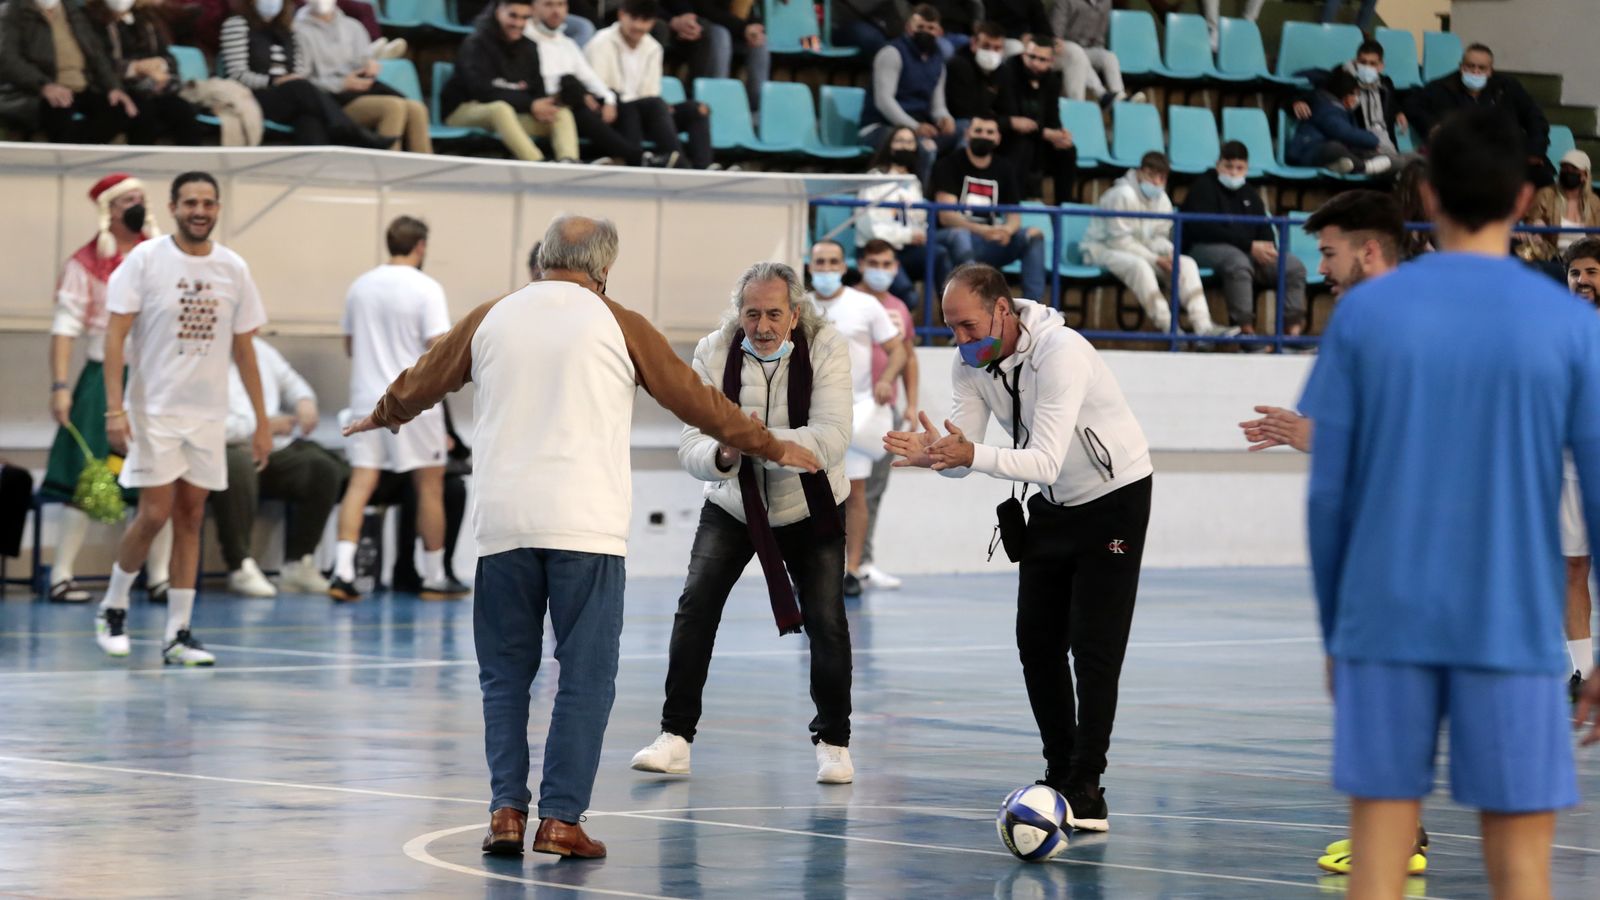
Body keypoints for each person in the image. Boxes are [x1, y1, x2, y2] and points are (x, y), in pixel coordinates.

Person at [342, 214, 820, 859]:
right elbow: (699, 402)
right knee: (585, 678)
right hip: (585, 527)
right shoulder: (619, 323)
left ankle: (506, 813)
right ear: (604, 268)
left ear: (542, 257)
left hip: (503, 524)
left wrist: (383, 413)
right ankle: (562, 820)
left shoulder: (493, 314)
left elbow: (424, 377)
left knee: (504, 678)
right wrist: (773, 445)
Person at [1299, 108, 1600, 898]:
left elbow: (1330, 491)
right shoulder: (1572, 326)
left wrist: (1339, 632)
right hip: (1512, 625)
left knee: (1378, 873)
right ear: (1529, 194)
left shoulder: (1366, 313)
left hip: (1385, 622)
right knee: (1523, 876)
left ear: (1426, 194)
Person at [884, 261, 1153, 832]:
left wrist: (966, 456)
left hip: (1114, 497)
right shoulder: (971, 365)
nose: (960, 340)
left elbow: (1045, 457)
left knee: (1095, 646)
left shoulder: (1062, 353)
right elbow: (966, 451)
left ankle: (1087, 785)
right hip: (1051, 506)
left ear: (1002, 310)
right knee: (1036, 641)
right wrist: (937, 455)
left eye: (968, 325)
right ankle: (1059, 771)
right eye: (951, 328)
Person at [1235, 190, 1433, 878]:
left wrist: (1306, 432)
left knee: (1379, 690)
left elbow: (1369, 436)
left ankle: (1397, 839)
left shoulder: (1368, 316)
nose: (1320, 267)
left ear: (1369, 249)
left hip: (1392, 538)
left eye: (1328, 251)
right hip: (1433, 532)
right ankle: (1407, 831)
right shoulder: (1431, 304)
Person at [630, 261, 854, 783]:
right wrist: (727, 453)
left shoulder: (828, 348)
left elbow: (832, 434)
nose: (763, 326)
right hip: (733, 500)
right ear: (739, 313)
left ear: (795, 315)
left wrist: (759, 443)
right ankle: (675, 736)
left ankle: (835, 743)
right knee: (695, 607)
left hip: (810, 502)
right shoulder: (711, 351)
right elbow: (691, 444)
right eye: (752, 314)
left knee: (826, 621)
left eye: (774, 314)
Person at [95, 171, 273, 667]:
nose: (200, 210)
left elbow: (245, 349)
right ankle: (112, 606)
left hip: (207, 414)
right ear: (173, 207)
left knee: (192, 516)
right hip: (154, 410)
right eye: (191, 202)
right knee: (154, 513)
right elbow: (115, 336)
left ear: (217, 209)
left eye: (209, 203)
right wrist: (115, 409)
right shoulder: (146, 260)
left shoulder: (233, 268)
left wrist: (261, 421)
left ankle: (179, 632)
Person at [41, 173, 172, 605]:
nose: (135, 204)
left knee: (163, 475)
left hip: (155, 378)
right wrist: (61, 386)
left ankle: (159, 577)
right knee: (90, 475)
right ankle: (61, 574)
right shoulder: (84, 264)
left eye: (140, 196)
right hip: (103, 378)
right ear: (109, 211)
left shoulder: (163, 255)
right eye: (125, 200)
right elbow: (65, 327)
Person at [330, 216, 466, 602]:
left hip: (364, 397)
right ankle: (435, 576)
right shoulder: (427, 288)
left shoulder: (361, 286)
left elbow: (350, 346)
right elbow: (439, 350)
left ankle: (342, 573)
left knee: (361, 484)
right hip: (412, 398)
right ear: (421, 246)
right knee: (429, 486)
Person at [807, 240, 905, 597]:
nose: (828, 268)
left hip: (859, 411)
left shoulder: (865, 306)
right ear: (810, 265)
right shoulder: (799, 306)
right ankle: (813, 569)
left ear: (844, 265)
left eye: (834, 261)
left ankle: (854, 568)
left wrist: (885, 380)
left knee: (856, 493)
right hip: (813, 414)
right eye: (821, 262)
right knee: (812, 492)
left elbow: (899, 351)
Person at [210, 337, 344, 597]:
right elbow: (207, 426)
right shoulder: (205, 356)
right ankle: (240, 564)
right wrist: (260, 427)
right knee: (238, 466)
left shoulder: (261, 350)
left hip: (273, 447)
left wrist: (305, 401)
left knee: (321, 467)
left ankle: (299, 562)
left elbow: (292, 382)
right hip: (228, 447)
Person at [1083, 151, 1236, 338]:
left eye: (1161, 177)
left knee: (1185, 264)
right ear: (1140, 172)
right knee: (1139, 267)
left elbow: (1159, 237)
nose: (1156, 182)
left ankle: (1203, 328)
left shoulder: (1162, 199)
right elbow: (1119, 242)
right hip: (1103, 249)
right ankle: (1170, 329)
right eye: (1151, 175)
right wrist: (1155, 259)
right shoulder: (1122, 194)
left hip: (1141, 251)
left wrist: (1169, 253)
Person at [1180, 141, 1308, 341]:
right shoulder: (1203, 187)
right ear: (1218, 165)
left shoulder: (1249, 193)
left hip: (1246, 251)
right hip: (1201, 248)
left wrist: (1266, 248)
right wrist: (1249, 245)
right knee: (1237, 261)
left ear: (1246, 169)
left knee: (1292, 266)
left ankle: (1291, 333)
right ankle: (1245, 332)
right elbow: (1204, 228)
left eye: (1239, 168)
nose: (1233, 173)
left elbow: (1264, 227)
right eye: (1228, 166)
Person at [219, 0, 392, 147]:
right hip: (256, 95)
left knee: (309, 118)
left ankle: (318, 174)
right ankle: (351, 132)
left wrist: (290, 80)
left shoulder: (288, 28)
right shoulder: (237, 24)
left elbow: (300, 69)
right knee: (300, 87)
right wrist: (275, 81)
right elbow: (237, 74)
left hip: (292, 94)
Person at [440, 0, 581, 163]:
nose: (518, 23)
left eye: (524, 18)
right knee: (500, 109)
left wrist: (552, 101)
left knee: (561, 114)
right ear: (498, 12)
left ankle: (568, 163)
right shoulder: (476, 42)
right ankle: (538, 164)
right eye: (513, 16)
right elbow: (481, 91)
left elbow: (537, 92)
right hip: (463, 111)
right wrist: (530, 105)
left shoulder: (530, 47)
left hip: (511, 116)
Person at [584, 0, 714, 169]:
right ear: (622, 15)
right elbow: (598, 88)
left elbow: (651, 91)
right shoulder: (601, 42)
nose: (639, 26)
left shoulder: (653, 48)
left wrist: (662, 107)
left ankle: (703, 169)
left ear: (653, 22)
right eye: (634, 19)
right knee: (649, 106)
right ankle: (681, 166)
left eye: (645, 20)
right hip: (614, 111)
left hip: (648, 113)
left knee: (698, 110)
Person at [856, 240, 918, 592]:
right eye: (874, 262)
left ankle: (862, 562)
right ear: (861, 264)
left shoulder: (898, 309)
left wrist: (910, 403)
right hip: (847, 408)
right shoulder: (849, 303)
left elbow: (908, 357)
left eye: (887, 263)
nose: (881, 269)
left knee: (873, 490)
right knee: (838, 491)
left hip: (883, 412)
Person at [931, 115, 1048, 302]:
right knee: (959, 235)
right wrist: (983, 230)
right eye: (978, 131)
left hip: (989, 240)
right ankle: (974, 303)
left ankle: (1033, 310)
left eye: (989, 132)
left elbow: (1014, 216)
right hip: (951, 238)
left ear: (998, 138)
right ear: (967, 134)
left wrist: (1006, 230)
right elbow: (946, 216)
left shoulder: (1005, 168)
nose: (984, 136)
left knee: (1033, 235)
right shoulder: (948, 164)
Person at [527, 0, 658, 166]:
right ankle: (638, 159)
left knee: (622, 105)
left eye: (561, 5)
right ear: (533, 7)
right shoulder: (524, 36)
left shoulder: (566, 42)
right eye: (549, 5)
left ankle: (627, 160)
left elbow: (588, 76)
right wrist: (581, 93)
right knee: (581, 107)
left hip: (570, 99)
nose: (556, 11)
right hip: (543, 101)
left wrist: (609, 99)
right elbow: (545, 80)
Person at [293, 0, 432, 153]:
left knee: (417, 108)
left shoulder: (353, 27)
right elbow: (300, 83)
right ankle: (388, 169)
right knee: (393, 106)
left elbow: (362, 61)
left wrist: (369, 66)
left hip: (361, 91)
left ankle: (428, 167)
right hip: (330, 102)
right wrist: (341, 84)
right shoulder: (297, 31)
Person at [1405, 43, 1552, 187]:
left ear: (1490, 71)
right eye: (1470, 66)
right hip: (1465, 158)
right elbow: (1412, 104)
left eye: (1482, 68)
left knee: (1541, 176)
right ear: (1461, 67)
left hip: (1506, 154)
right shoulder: (1442, 88)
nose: (1475, 71)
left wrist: (1535, 150)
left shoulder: (1507, 87)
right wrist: (1432, 126)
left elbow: (1535, 117)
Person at [0, 0, 140, 143]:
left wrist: (114, 87)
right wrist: (44, 85)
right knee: (59, 113)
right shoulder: (12, 11)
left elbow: (97, 54)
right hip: (34, 91)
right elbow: (7, 60)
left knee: (123, 109)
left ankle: (81, 156)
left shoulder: (71, 9)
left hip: (83, 87)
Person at [859, 5, 958, 185]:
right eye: (920, 27)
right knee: (923, 148)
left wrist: (945, 118)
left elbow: (937, 106)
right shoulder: (892, 53)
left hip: (917, 127)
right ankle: (918, 202)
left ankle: (949, 196)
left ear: (939, 31)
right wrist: (914, 127)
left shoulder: (938, 60)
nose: (925, 32)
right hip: (881, 126)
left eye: (930, 28)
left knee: (966, 130)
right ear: (909, 28)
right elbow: (884, 102)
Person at [87, 0, 207, 145]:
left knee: (182, 110)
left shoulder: (146, 19)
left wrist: (161, 67)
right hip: (119, 87)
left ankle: (191, 162)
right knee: (143, 112)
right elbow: (98, 63)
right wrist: (135, 67)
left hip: (154, 87)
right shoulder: (92, 20)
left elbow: (168, 57)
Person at [857, 126, 949, 309]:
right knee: (910, 298)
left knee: (939, 254)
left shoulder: (914, 182)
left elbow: (919, 220)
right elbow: (871, 228)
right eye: (899, 141)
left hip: (907, 250)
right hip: (877, 249)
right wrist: (908, 235)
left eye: (909, 142)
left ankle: (950, 317)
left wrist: (918, 233)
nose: (905, 147)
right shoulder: (875, 178)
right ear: (890, 146)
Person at [1292, 39, 1406, 167]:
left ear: (1380, 66)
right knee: (1396, 164)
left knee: (1412, 161)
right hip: (1359, 144)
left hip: (1382, 143)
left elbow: (1391, 103)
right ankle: (1366, 168)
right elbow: (1314, 90)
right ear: (1356, 61)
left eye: (1372, 64)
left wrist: (1398, 112)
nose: (1367, 67)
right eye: (1363, 62)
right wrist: (1298, 100)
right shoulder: (1342, 76)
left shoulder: (1386, 83)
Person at [993, 36, 1077, 202]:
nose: (1036, 63)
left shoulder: (1052, 81)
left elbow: (1052, 117)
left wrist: (1060, 134)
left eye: (1042, 60)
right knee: (1023, 144)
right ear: (1024, 54)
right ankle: (1013, 203)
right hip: (1009, 137)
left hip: (1038, 139)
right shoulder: (1008, 72)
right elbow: (1016, 119)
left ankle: (1063, 209)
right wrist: (1045, 133)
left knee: (1067, 151)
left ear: (1051, 61)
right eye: (1031, 57)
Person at [656, 0, 768, 112]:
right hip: (704, 22)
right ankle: (714, 100)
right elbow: (705, 10)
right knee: (720, 35)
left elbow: (752, 11)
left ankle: (757, 110)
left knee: (761, 40)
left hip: (732, 27)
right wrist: (743, 29)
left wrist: (754, 27)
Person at [1285, 67, 1393, 177]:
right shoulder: (1325, 106)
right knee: (1334, 148)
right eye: (1356, 94)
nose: (1357, 98)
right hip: (1308, 151)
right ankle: (1365, 168)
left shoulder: (1344, 112)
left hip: (1327, 155)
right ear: (1346, 95)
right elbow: (1343, 132)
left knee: (1361, 154)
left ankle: (1336, 167)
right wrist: (1373, 140)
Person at [1050, 0, 1139, 107]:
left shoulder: (1106, 2)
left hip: (1088, 49)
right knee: (1078, 54)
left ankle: (1120, 97)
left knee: (1109, 57)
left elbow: (1100, 38)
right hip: (1065, 49)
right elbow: (1056, 36)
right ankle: (1102, 95)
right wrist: (1058, 42)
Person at [1523, 150, 1600, 267]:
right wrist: (1536, 230)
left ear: (1585, 176)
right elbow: (1530, 225)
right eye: (1564, 168)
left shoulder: (1594, 202)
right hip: (1551, 259)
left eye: (1573, 169)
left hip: (1585, 263)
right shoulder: (1546, 195)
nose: (1568, 172)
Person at [942, 20, 1007, 137]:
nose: (991, 52)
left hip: (986, 122)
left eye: (997, 48)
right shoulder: (958, 65)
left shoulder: (1001, 70)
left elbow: (1003, 107)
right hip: (958, 123)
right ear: (974, 44)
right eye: (986, 46)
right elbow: (961, 111)